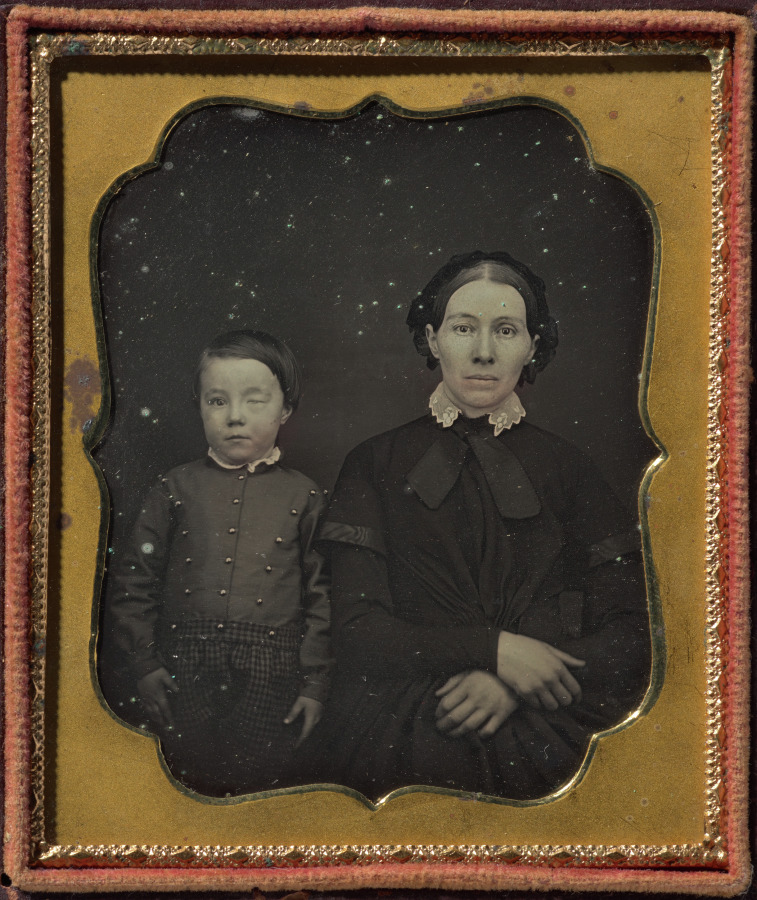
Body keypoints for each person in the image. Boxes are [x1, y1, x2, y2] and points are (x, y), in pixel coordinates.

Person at [309, 250, 651, 801]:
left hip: (547, 717)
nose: (484, 352)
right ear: (432, 339)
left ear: (532, 346)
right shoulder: (373, 462)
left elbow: (634, 632)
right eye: (464, 327)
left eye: (506, 330)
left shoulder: (570, 468)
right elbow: (356, 631)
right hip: (401, 720)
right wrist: (493, 650)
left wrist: (516, 678)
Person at [109, 330, 331, 796]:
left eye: (254, 400)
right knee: (183, 784)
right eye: (217, 401)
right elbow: (134, 582)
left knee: (257, 789)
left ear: (285, 409)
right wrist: (143, 663)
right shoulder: (174, 488)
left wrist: (314, 684)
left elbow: (323, 598)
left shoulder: (305, 496)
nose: (234, 416)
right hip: (181, 668)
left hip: (275, 675)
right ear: (199, 406)